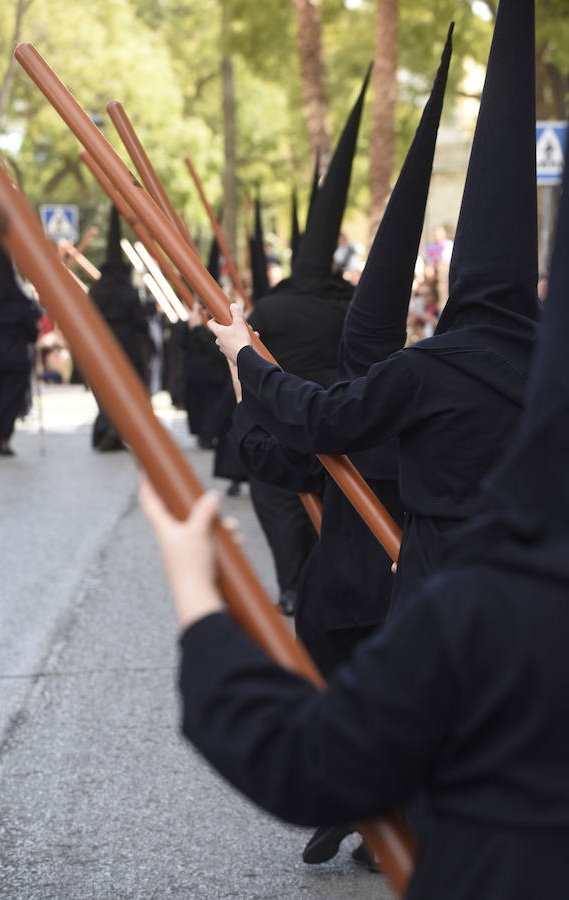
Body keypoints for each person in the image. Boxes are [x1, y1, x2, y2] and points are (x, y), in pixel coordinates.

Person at [139, 120, 569, 899]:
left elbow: (302, 760)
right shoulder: (513, 372)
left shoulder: (484, 604)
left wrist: (199, 596)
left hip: (432, 573)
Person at [209, 0, 540, 620]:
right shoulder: (551, 369)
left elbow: (319, 421)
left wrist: (244, 360)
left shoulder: (431, 370)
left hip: (439, 597)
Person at [241, 68, 370, 616]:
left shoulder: (271, 306)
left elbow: (243, 354)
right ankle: (314, 582)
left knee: (277, 500)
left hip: (280, 418)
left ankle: (291, 583)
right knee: (337, 508)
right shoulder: (353, 303)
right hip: (343, 425)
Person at [89, 205, 149, 451]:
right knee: (126, 389)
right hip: (128, 346)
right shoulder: (129, 291)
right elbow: (140, 320)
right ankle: (119, 429)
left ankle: (110, 426)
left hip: (104, 344)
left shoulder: (97, 290)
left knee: (105, 390)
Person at [0, 241, 40, 456]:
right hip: (16, 358)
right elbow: (32, 334)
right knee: (11, 398)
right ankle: (4, 437)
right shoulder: (23, 305)